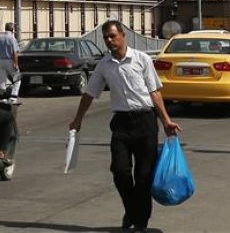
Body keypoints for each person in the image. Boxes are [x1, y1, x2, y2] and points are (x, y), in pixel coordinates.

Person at [69, 20, 181, 233]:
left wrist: (166, 120)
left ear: (123, 36)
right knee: (120, 172)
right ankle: (132, 210)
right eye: (105, 37)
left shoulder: (142, 59)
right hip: (121, 124)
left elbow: (154, 92)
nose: (109, 41)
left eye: (112, 36)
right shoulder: (104, 65)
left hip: (145, 122)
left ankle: (140, 223)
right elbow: (90, 93)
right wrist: (78, 119)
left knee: (143, 177)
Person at [0, 22, 21, 102]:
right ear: (12, 29)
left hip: (1, 61)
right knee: (17, 79)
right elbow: (15, 52)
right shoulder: (12, 38)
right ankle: (13, 97)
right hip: (9, 61)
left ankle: (2, 97)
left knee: (2, 80)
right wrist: (16, 63)